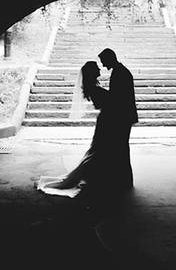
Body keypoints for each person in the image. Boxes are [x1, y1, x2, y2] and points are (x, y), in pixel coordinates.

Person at [37, 61, 112, 196]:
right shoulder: (93, 88)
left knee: (99, 150)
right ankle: (89, 175)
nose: (100, 69)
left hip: (105, 118)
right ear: (92, 72)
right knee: (99, 150)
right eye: (97, 68)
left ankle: (95, 175)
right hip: (105, 119)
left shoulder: (92, 87)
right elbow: (101, 103)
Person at [98, 47, 137, 192]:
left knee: (121, 147)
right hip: (124, 115)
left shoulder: (120, 73)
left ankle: (124, 181)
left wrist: (100, 92)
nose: (102, 65)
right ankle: (123, 180)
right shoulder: (120, 71)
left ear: (110, 59)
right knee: (121, 147)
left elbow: (117, 98)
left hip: (122, 116)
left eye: (103, 61)